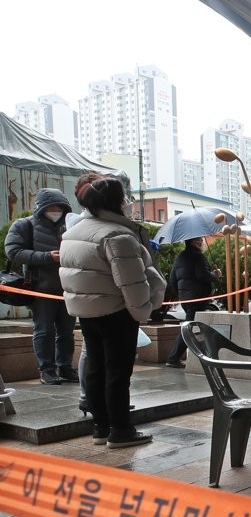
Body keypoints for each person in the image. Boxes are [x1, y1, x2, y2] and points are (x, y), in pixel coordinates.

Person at [60, 173, 166, 448]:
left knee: (95, 369)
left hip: (87, 313)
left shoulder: (72, 233)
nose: (127, 201)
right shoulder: (117, 235)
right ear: (115, 201)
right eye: (124, 197)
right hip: (117, 313)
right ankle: (120, 430)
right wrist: (142, 311)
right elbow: (132, 283)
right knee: (118, 373)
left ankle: (100, 427)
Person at [4, 188, 77, 385]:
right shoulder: (24, 225)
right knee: (44, 330)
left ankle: (65, 368)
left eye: (60, 208)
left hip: (68, 288)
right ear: (41, 207)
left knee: (66, 332)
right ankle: (47, 370)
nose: (56, 211)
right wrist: (47, 257)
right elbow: (13, 251)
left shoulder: (70, 226)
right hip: (40, 289)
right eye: (52, 207)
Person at [164, 238, 222, 367]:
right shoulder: (198, 256)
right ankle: (173, 358)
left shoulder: (180, 257)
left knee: (190, 325)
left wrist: (181, 294)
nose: (202, 243)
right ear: (196, 242)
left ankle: (199, 354)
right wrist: (215, 275)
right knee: (188, 328)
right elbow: (203, 275)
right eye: (200, 240)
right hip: (198, 298)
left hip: (186, 299)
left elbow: (172, 279)